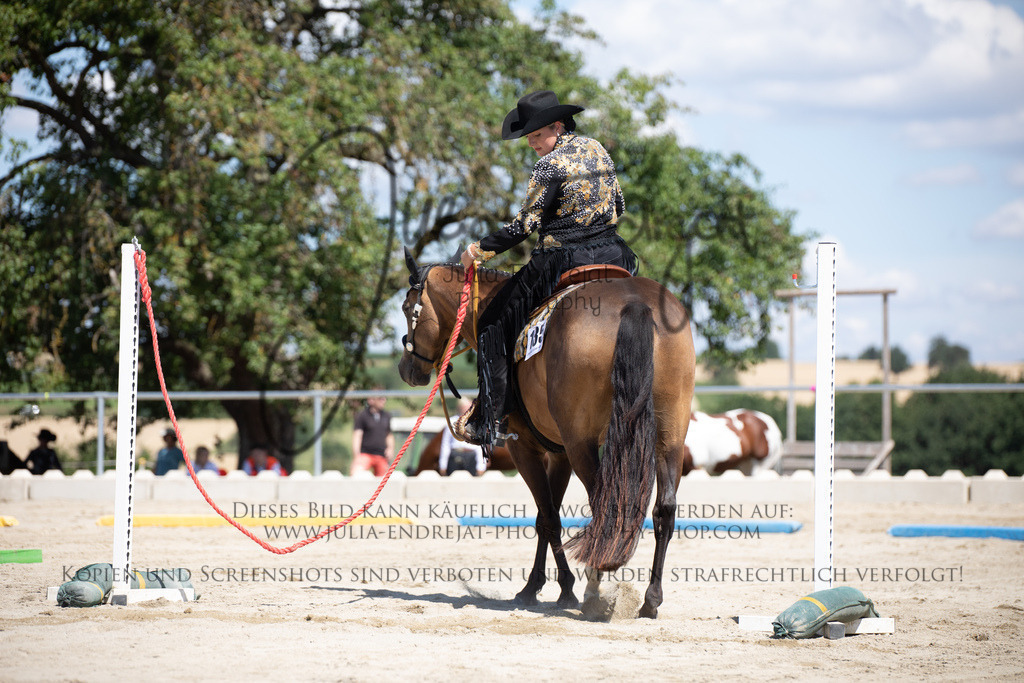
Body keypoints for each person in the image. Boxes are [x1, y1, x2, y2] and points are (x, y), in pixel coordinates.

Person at [456, 90, 638, 446]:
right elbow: (620, 204)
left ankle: (490, 417)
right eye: (528, 137)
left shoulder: (549, 166)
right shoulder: (598, 148)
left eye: (538, 135)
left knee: (492, 321)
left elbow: (524, 225)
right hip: (615, 254)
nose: (532, 144)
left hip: (563, 259)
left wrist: (478, 250)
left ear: (557, 126)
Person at [351, 389, 394, 476]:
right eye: (381, 398)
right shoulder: (362, 415)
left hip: (381, 455)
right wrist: (357, 456)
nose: (384, 401)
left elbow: (388, 435)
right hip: (365, 454)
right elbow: (357, 436)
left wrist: (390, 449)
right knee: (356, 473)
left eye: (384, 398)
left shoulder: (386, 416)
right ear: (371, 400)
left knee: (386, 480)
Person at [439, 399, 487, 476]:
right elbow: (445, 444)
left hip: (471, 456)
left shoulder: (475, 422)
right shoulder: (451, 421)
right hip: (455, 455)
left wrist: (481, 466)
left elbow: (480, 445)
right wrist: (443, 465)